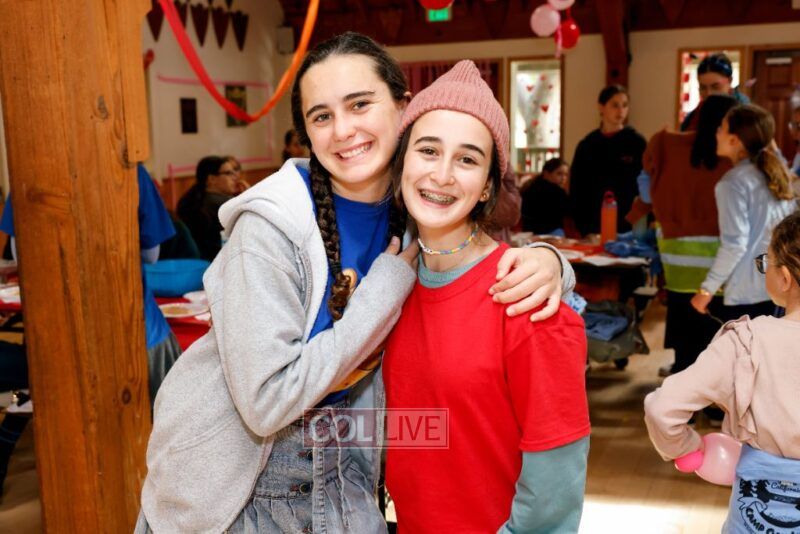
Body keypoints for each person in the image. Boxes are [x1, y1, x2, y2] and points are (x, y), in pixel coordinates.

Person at [136, 32, 574, 534]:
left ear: (404, 109)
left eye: (360, 104)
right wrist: (383, 290)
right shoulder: (270, 228)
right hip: (233, 486)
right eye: (321, 116)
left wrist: (552, 263)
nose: (343, 130)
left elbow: (469, 261)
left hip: (346, 472)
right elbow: (265, 405)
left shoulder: (416, 211)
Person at [383, 60, 590, 534]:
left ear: (488, 188)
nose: (442, 175)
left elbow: (554, 492)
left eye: (467, 159)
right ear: (401, 164)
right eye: (428, 150)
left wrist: (554, 262)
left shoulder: (526, 300)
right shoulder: (393, 284)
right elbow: (429, 425)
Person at [644, 210, 800, 534]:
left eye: (765, 263)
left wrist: (688, 448)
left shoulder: (746, 341)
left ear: (784, 278)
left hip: (755, 515)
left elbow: (662, 408)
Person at [636, 95, 738, 376]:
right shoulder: (734, 159)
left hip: (677, 260)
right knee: (720, 341)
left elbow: (646, 192)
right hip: (720, 264)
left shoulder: (668, 147)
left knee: (685, 336)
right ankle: (715, 398)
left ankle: (683, 393)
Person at [690, 104, 797, 321]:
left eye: (722, 128)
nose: (717, 133)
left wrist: (706, 290)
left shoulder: (732, 183)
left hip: (748, 293)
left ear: (735, 140)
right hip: (780, 288)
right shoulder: (778, 174)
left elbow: (735, 244)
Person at [570, 85, 646, 236]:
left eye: (625, 105)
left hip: (628, 226)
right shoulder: (587, 145)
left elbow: (646, 184)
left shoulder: (637, 143)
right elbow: (576, 189)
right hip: (592, 225)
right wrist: (582, 225)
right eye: (615, 105)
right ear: (601, 107)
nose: (621, 111)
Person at [176, 155, 239, 261]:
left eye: (235, 171)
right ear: (212, 179)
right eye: (228, 173)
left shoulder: (190, 199)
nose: (235, 177)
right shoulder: (225, 205)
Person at [680, 53, 750, 132]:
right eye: (703, 88)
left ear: (730, 81)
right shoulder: (698, 111)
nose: (709, 93)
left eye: (715, 87)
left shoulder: (743, 110)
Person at [520, 157, 570, 235]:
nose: (563, 178)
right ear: (546, 174)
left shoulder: (530, 186)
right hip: (550, 233)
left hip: (528, 232)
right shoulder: (557, 192)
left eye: (566, 175)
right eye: (559, 174)